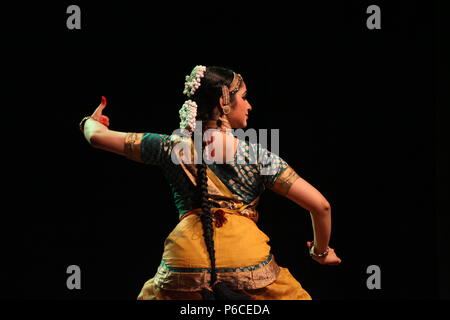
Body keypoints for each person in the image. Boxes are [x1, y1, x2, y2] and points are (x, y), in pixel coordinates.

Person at [80, 65, 341, 300]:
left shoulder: (169, 146)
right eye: (245, 97)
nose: (249, 106)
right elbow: (321, 206)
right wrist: (321, 252)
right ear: (224, 102)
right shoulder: (259, 157)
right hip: (247, 262)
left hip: (183, 263)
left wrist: (89, 123)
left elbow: (96, 138)